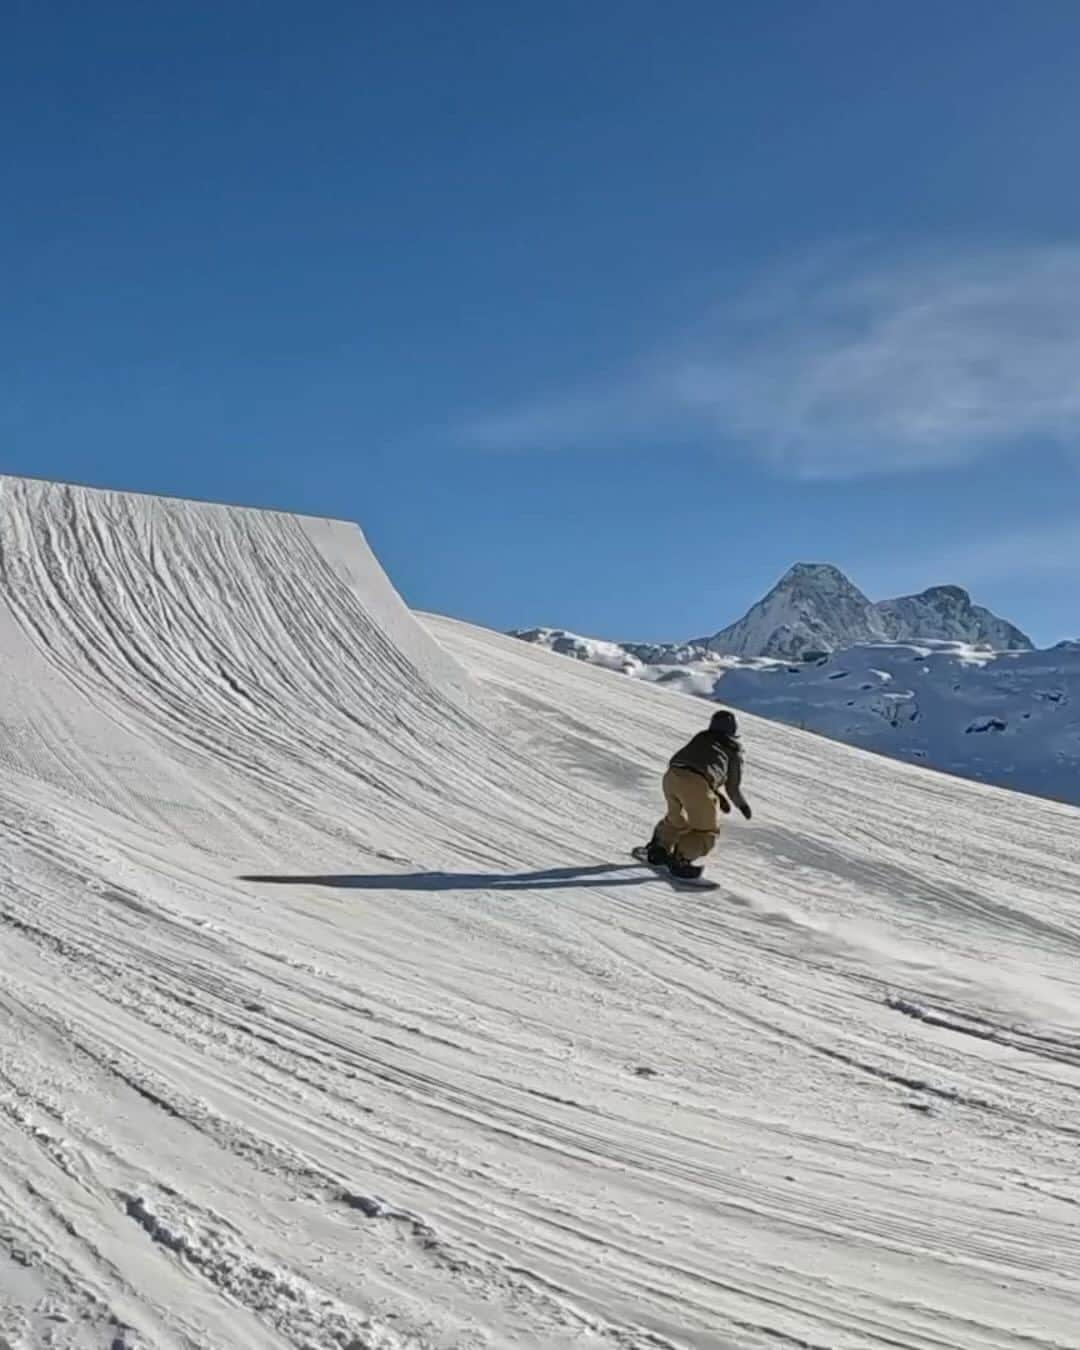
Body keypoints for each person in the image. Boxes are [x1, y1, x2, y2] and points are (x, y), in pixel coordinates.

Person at [644, 709, 752, 880]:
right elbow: (732, 788)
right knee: (705, 831)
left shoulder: (701, 738)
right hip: (697, 784)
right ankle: (680, 860)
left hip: (672, 775)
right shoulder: (732, 751)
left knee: (676, 819)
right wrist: (743, 806)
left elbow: (699, 768)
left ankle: (658, 849)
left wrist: (716, 794)